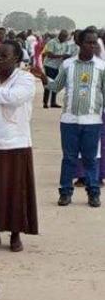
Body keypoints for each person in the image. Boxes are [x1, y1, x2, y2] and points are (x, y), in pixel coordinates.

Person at [32, 29, 105, 208]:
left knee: (90, 159)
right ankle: (65, 193)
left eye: (95, 43)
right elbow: (56, 86)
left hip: (92, 121)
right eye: (89, 42)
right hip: (69, 121)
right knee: (69, 158)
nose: (93, 46)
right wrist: (42, 76)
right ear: (79, 43)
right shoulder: (67, 65)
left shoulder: (101, 67)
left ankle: (93, 193)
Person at [0, 41, 38, 252]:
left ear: (17, 59)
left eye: (4, 56)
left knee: (15, 190)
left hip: (16, 142)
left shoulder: (26, 79)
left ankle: (15, 234)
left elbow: (13, 99)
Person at [42, 30, 72, 109]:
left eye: (66, 38)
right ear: (60, 36)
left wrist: (67, 57)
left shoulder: (65, 44)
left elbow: (67, 54)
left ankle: (53, 102)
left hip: (58, 67)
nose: (65, 39)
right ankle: (45, 102)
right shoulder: (52, 42)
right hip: (49, 65)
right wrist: (62, 56)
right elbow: (49, 54)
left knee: (56, 84)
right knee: (48, 83)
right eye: (64, 37)